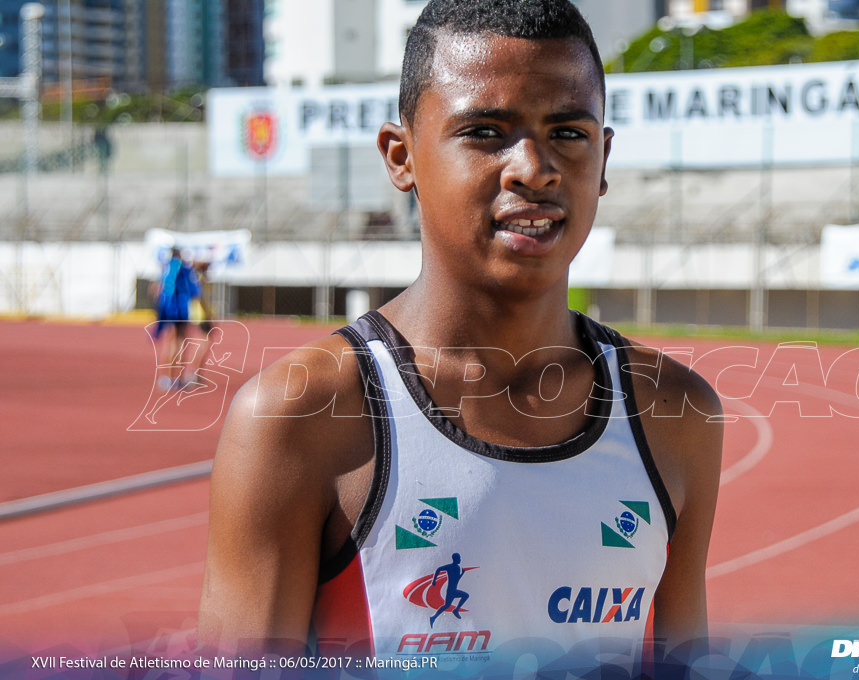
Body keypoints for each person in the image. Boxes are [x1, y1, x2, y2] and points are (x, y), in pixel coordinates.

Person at [197, 1, 723, 675]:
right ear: (401, 155)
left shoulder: (677, 414)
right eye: (485, 131)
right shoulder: (297, 417)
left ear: (605, 155)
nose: (533, 168)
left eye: (567, 131)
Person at [149, 247, 200, 391]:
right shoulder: (183, 268)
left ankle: (168, 377)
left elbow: (162, 289)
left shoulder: (167, 267)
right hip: (181, 308)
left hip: (171, 308)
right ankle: (176, 377)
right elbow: (193, 289)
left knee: (171, 342)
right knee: (180, 342)